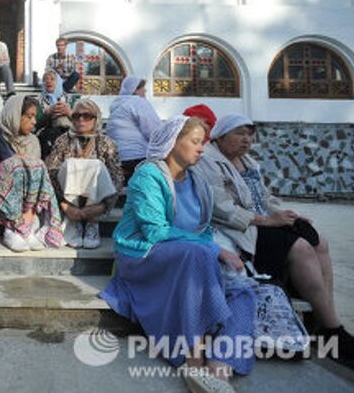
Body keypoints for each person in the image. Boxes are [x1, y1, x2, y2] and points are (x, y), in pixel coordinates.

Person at [101, 116, 255, 393]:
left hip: (189, 258)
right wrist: (215, 250)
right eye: (195, 142)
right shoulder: (147, 175)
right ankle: (193, 358)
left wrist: (209, 247)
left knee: (244, 292)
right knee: (197, 254)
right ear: (173, 143)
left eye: (203, 143)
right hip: (143, 256)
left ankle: (218, 368)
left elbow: (204, 229)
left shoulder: (199, 181)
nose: (201, 149)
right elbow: (155, 231)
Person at [193, 114, 354, 366]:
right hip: (244, 228)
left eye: (250, 133)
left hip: (265, 222)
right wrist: (266, 220)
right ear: (220, 137)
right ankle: (334, 331)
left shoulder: (249, 162)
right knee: (301, 248)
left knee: (320, 242)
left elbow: (265, 198)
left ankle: (325, 321)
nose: (247, 140)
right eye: (239, 133)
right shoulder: (209, 162)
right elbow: (221, 208)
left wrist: (287, 214)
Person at [0, 95, 64, 252]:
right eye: (29, 116)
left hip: (26, 205)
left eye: (35, 117)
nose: (34, 121)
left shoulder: (33, 141)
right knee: (15, 164)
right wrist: (8, 165)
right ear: (15, 115)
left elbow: (36, 178)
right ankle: (12, 228)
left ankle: (27, 223)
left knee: (37, 164)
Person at [45, 99, 123, 249]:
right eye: (76, 116)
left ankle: (92, 224)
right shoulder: (63, 140)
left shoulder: (107, 142)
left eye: (87, 116)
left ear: (96, 119)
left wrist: (103, 207)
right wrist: (64, 206)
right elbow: (51, 173)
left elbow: (117, 177)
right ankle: (73, 223)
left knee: (96, 165)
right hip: (68, 202)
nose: (81, 119)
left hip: (96, 204)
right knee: (71, 163)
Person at [106, 75, 161, 183]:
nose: (145, 91)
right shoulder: (138, 102)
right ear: (135, 90)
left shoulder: (116, 105)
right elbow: (153, 130)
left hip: (118, 158)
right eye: (142, 88)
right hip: (138, 157)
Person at [36, 69, 73, 158]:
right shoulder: (38, 100)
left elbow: (78, 118)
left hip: (68, 131)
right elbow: (35, 123)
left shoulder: (69, 99)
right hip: (47, 132)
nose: (48, 81)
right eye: (45, 79)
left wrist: (68, 112)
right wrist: (47, 113)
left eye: (52, 79)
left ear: (59, 82)